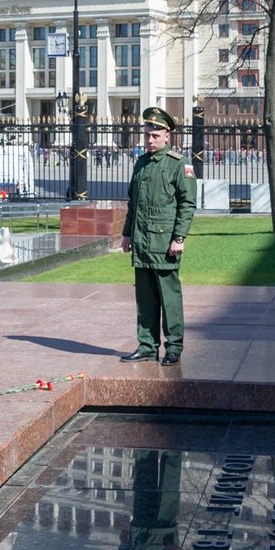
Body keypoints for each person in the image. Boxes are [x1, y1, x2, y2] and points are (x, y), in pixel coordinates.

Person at [120, 107, 197, 366]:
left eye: (155, 135)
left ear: (167, 135)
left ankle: (173, 347)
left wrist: (179, 238)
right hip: (142, 241)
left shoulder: (179, 164)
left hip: (165, 243)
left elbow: (187, 204)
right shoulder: (141, 163)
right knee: (145, 298)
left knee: (169, 297)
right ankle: (147, 346)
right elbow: (135, 203)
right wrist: (127, 234)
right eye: (147, 135)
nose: (150, 140)